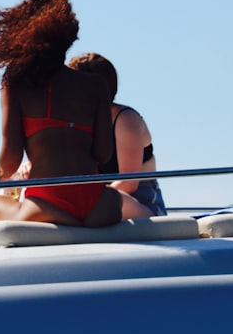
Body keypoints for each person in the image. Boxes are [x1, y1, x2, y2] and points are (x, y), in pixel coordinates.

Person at [0, 0, 152, 227]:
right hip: (99, 205)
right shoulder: (96, 85)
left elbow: (10, 161)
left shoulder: (17, 83)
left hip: (49, 206)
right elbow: (102, 154)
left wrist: (4, 167)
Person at [67, 52, 166, 216]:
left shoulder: (126, 120)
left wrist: (85, 202)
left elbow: (128, 184)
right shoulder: (72, 122)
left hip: (136, 202)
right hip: (94, 199)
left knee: (115, 199)